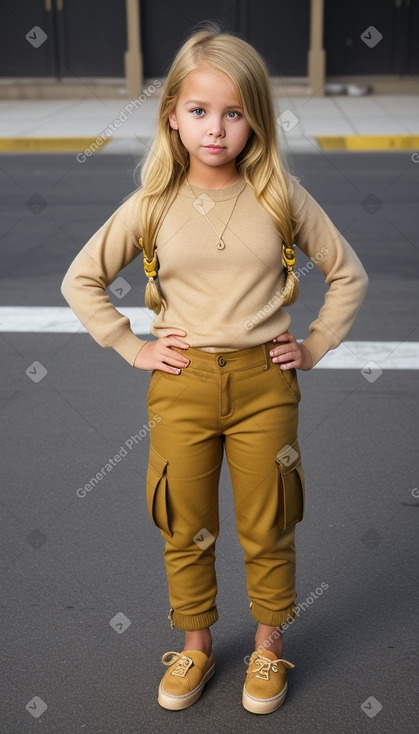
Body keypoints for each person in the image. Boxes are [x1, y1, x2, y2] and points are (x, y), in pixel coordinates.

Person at [61, 25, 368, 715]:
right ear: (170, 113)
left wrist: (314, 345)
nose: (215, 129)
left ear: (255, 119)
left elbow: (347, 273)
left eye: (234, 113)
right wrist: (131, 344)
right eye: (199, 111)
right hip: (182, 387)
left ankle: (267, 645)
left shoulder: (279, 194)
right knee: (184, 522)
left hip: (266, 387)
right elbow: (82, 278)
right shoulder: (151, 203)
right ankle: (195, 644)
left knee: (270, 522)